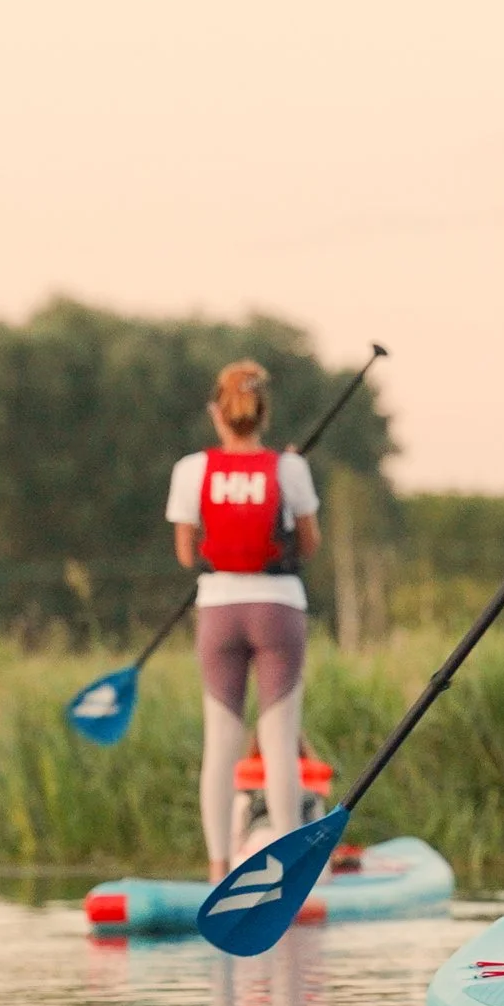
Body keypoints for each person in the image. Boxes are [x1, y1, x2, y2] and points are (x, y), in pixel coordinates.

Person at [166, 361, 323, 880]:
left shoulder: (192, 469)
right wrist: (286, 481)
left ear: (217, 412)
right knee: (280, 744)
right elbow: (309, 544)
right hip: (278, 606)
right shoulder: (288, 469)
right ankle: (288, 870)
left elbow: (188, 553)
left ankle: (217, 868)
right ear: (263, 413)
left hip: (218, 609)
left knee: (221, 745)